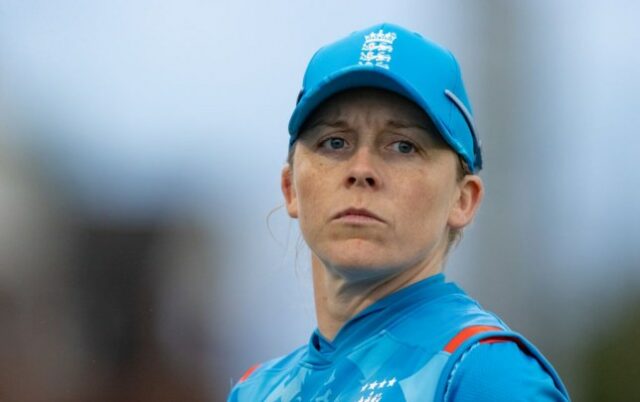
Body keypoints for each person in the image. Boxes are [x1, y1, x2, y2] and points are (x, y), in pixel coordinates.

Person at [228, 22, 570, 401]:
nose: (361, 170)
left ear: (463, 199)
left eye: (403, 146)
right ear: (291, 188)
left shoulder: (484, 372)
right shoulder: (256, 390)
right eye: (335, 141)